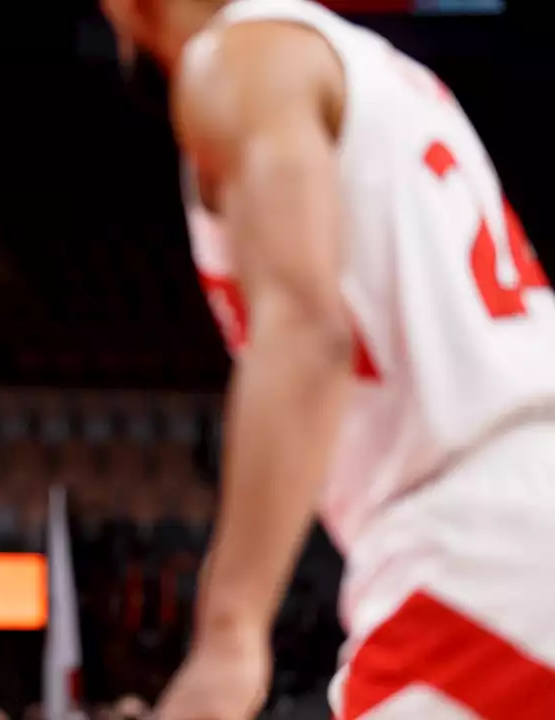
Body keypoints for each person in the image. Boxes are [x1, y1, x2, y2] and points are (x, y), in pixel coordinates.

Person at [96, 1, 555, 718]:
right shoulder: (373, 68)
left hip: (479, 540)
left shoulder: (237, 63)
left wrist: (229, 634)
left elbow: (307, 334)